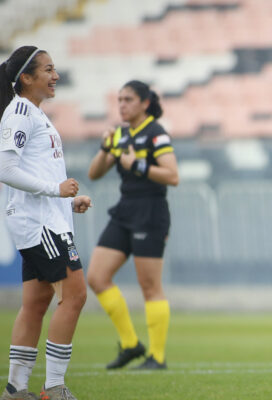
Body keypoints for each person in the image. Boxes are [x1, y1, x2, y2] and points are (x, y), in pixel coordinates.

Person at [0, 46, 93, 400]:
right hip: (39, 224)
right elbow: (5, 170)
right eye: (48, 69)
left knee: (36, 304)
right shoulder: (21, 111)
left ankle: (15, 389)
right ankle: (54, 387)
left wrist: (68, 198)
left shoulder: (34, 113)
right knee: (75, 295)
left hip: (43, 218)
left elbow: (36, 169)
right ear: (26, 77)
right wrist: (56, 190)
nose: (55, 76)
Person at [86, 80, 179, 370]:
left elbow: (172, 175)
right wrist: (105, 149)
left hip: (150, 212)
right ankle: (130, 344)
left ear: (144, 103)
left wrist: (136, 165)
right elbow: (94, 173)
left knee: (149, 285)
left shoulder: (156, 133)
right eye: (120, 99)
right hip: (124, 211)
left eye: (128, 99)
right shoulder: (120, 134)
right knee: (97, 277)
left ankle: (158, 357)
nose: (122, 105)